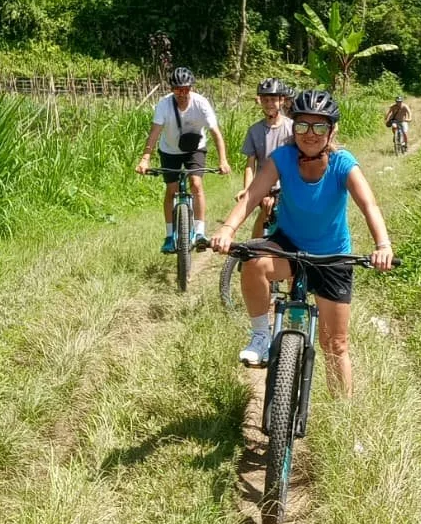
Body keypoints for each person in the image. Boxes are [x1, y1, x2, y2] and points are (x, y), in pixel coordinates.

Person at [211, 89, 394, 391]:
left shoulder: (342, 163)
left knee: (335, 344)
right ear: (292, 127)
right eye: (302, 126)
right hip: (289, 246)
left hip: (332, 256)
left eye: (319, 126)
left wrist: (383, 245)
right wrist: (228, 229)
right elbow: (253, 194)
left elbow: (369, 205)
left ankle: (343, 417)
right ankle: (260, 335)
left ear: (331, 130)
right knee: (254, 263)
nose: (310, 134)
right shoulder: (281, 158)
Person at [135, 67, 231, 251]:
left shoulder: (201, 103)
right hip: (169, 150)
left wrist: (223, 161)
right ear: (172, 89)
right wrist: (145, 158)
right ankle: (170, 236)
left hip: (195, 148)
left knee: (196, 183)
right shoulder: (164, 104)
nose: (182, 93)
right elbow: (155, 133)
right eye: (178, 89)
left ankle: (200, 232)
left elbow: (216, 133)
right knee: (171, 190)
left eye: (186, 89)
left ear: (191, 88)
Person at [237, 78, 293, 239]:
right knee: (264, 218)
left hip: (288, 185)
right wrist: (248, 189)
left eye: (273, 99)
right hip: (264, 186)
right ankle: (252, 254)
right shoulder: (254, 131)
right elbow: (250, 164)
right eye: (265, 99)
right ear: (259, 101)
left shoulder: (291, 128)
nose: (269, 103)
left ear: (282, 100)